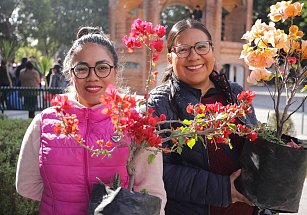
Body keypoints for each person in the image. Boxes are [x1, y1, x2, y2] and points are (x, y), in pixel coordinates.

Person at [16, 26, 166, 215]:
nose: (92, 77)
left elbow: (152, 194)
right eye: (82, 69)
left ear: (115, 71)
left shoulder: (136, 125)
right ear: (71, 74)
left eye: (102, 68)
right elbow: (26, 185)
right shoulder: (43, 123)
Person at [148, 19, 259, 215]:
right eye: (183, 50)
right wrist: (223, 189)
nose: (193, 56)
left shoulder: (235, 94)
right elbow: (159, 173)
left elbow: (256, 148)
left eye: (201, 47)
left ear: (212, 51)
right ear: (169, 57)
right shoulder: (160, 103)